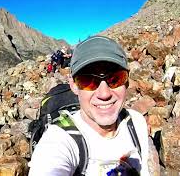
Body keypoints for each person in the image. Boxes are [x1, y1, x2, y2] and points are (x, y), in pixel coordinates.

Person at [29, 36, 150, 175]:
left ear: (127, 82)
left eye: (115, 79)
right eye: (88, 81)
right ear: (73, 85)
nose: (104, 94)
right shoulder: (59, 140)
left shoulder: (136, 122)